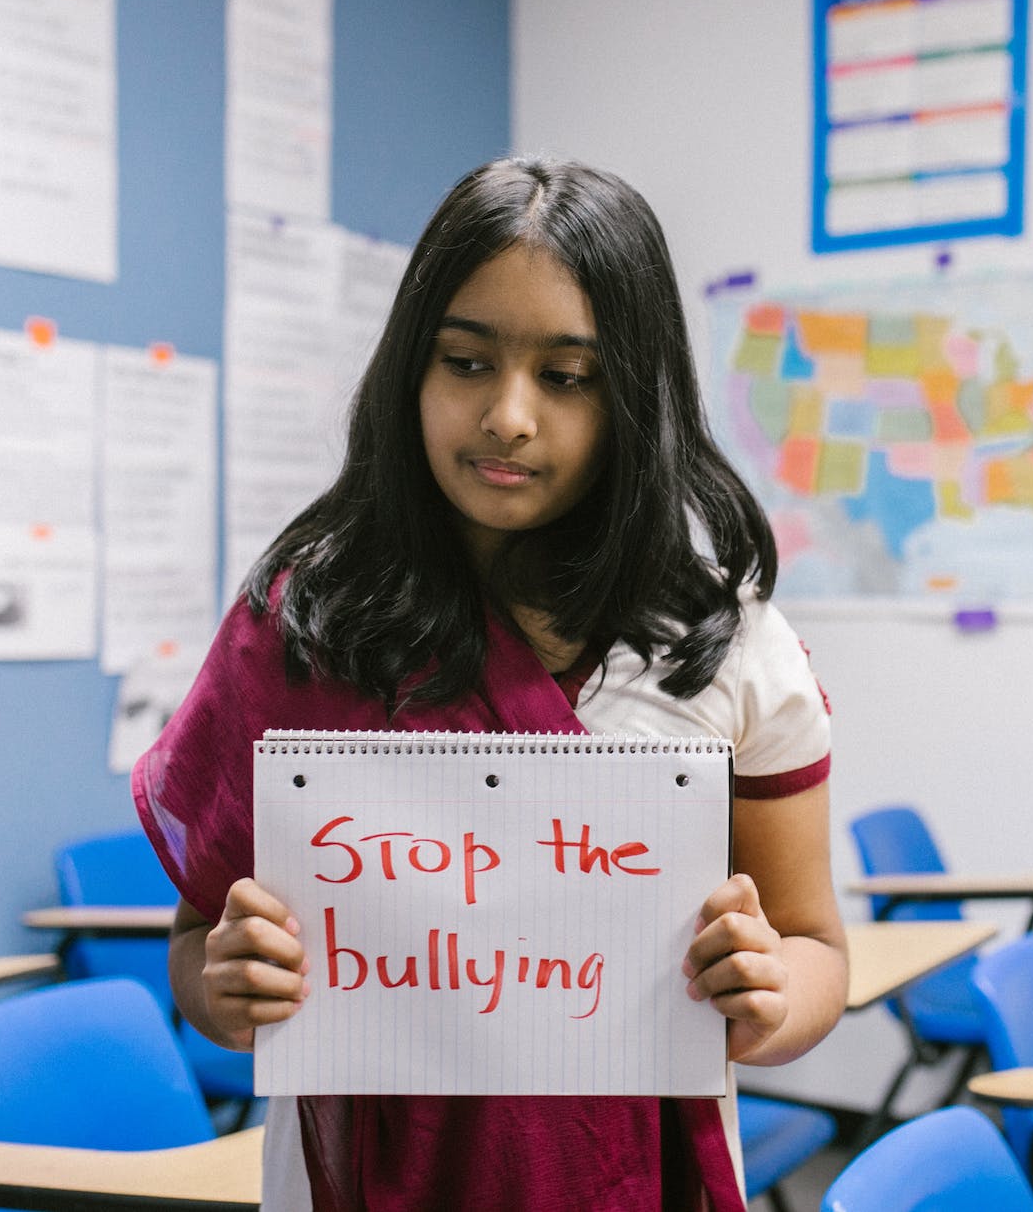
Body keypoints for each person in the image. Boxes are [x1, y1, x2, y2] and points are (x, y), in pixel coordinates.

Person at [135, 155, 846, 1211]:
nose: (508, 415)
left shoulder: (722, 645)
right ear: (408, 371)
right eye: (464, 362)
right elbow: (197, 941)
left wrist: (771, 997)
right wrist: (225, 987)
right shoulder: (303, 628)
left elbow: (814, 945)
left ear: (634, 396)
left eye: (565, 377)